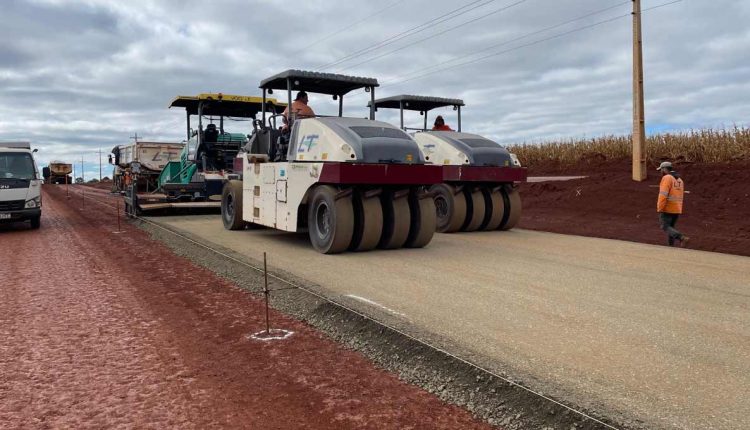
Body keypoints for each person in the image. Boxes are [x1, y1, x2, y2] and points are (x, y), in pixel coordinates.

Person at [656, 161, 689, 247]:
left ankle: (681, 238)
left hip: (667, 208)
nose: (660, 172)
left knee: (665, 226)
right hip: (677, 208)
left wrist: (660, 207)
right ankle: (671, 246)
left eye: (661, 170)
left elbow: (663, 195)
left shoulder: (667, 178)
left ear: (664, 169)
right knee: (671, 227)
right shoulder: (680, 180)